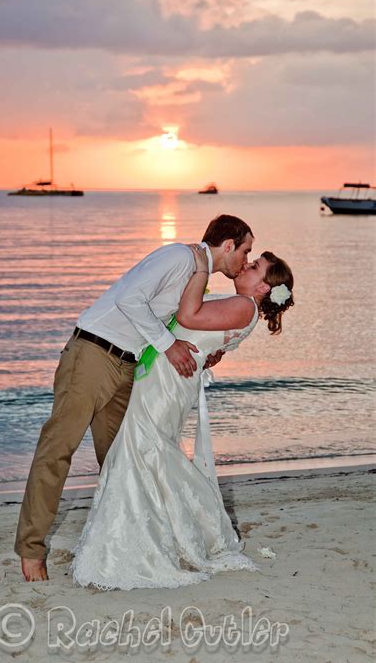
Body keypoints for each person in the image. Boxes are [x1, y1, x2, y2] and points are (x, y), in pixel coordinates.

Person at [15, 214, 254, 581]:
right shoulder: (178, 257)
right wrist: (168, 345)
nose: (246, 260)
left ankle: (122, 546)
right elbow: (130, 299)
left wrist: (203, 352)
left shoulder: (197, 276)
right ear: (228, 246)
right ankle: (31, 551)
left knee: (121, 461)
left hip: (126, 366)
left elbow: (176, 321)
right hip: (93, 354)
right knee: (58, 448)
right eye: (246, 250)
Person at [71, 249, 294, 590]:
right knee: (147, 448)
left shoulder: (244, 306)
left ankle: (145, 539)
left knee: (145, 447)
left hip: (168, 382)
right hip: (168, 378)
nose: (247, 266)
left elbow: (189, 317)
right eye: (250, 260)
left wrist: (201, 269)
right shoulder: (242, 306)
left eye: (255, 267)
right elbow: (200, 334)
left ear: (264, 289)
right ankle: (155, 532)